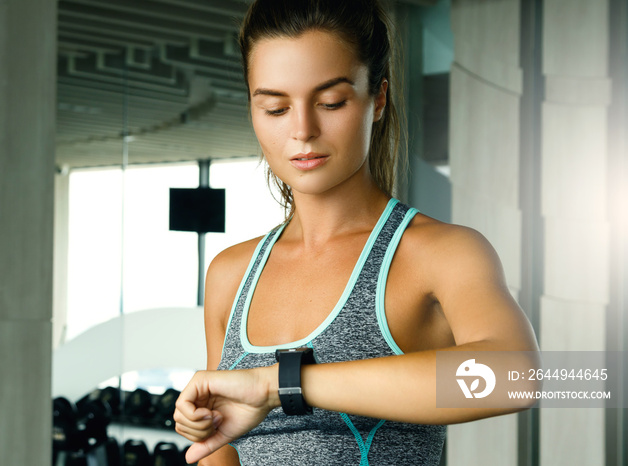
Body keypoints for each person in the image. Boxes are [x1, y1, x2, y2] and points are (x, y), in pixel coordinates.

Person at [173, 0, 539, 464]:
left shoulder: (438, 253)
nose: (303, 130)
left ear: (378, 98)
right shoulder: (230, 273)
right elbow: (219, 448)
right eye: (275, 107)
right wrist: (207, 427)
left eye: (331, 102)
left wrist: (278, 384)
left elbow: (517, 376)